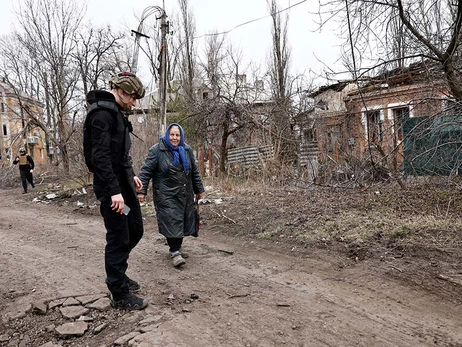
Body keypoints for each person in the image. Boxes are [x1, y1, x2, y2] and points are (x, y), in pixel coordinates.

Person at [84, 72, 148, 310]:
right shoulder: (102, 115)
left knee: (135, 228)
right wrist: (113, 192)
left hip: (122, 185)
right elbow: (99, 158)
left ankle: (117, 274)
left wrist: (130, 175)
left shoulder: (118, 114)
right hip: (112, 190)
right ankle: (119, 293)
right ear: (122, 92)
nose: (134, 103)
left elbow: (120, 154)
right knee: (118, 236)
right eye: (133, 97)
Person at [137, 123, 205, 267]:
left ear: (181, 136)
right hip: (165, 194)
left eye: (177, 135)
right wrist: (141, 191)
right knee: (172, 220)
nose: (174, 138)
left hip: (184, 192)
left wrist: (199, 189)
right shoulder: (157, 150)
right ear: (167, 135)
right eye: (172, 135)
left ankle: (177, 247)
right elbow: (145, 172)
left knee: (182, 220)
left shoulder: (186, 150)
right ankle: (174, 251)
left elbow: (194, 172)